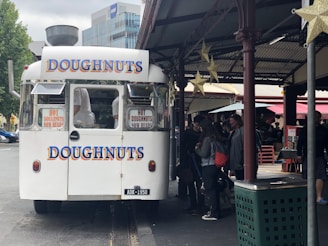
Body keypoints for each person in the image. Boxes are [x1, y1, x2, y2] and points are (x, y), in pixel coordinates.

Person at [195, 118, 225, 221]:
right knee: (214, 189)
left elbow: (204, 154)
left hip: (208, 166)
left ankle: (214, 213)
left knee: (210, 189)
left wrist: (197, 149)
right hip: (216, 165)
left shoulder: (207, 139)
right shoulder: (215, 137)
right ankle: (215, 211)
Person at [297, 110, 328, 205]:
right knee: (308, 176)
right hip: (308, 155)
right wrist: (299, 153)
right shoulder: (305, 129)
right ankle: (309, 196)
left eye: (317, 117)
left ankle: (319, 196)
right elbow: (300, 142)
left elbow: (327, 144)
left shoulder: (323, 130)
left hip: (319, 155)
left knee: (320, 176)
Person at [181, 114, 205, 214]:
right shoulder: (201, 135)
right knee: (196, 183)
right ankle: (197, 204)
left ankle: (196, 204)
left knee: (194, 184)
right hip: (194, 162)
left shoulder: (188, 133)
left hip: (194, 161)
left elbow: (182, 147)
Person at [227, 114, 245, 180]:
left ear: (237, 121)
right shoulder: (233, 132)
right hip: (235, 160)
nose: (230, 122)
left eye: (231, 120)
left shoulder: (242, 131)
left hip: (240, 160)